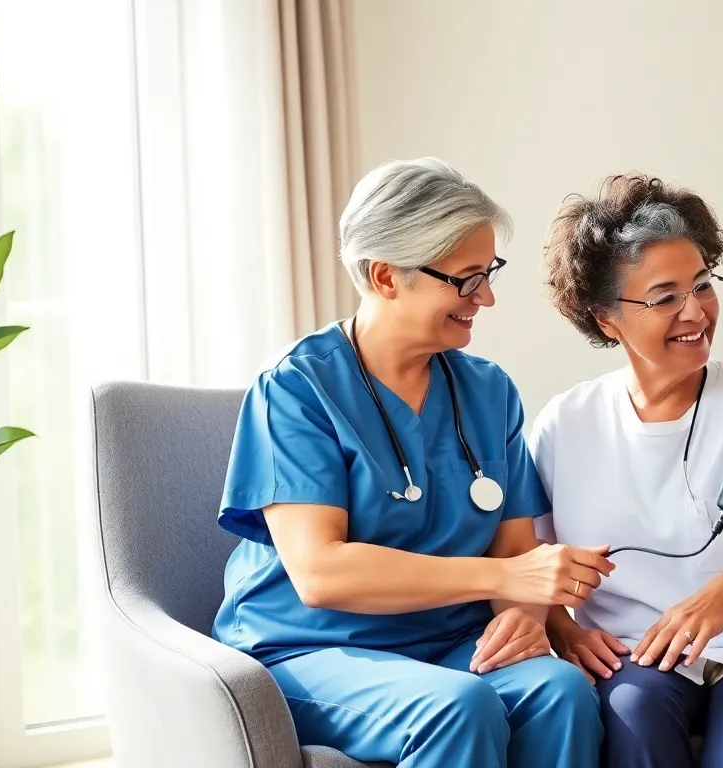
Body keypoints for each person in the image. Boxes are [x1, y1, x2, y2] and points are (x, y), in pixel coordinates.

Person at [209, 158, 611, 768]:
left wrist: (524, 617)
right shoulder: (296, 388)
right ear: (386, 275)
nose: (487, 298)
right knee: (458, 706)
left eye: (488, 273)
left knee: (560, 692)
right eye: (467, 279)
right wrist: (504, 583)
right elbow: (321, 573)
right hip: (310, 649)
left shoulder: (489, 391)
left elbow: (513, 552)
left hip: (448, 643)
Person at [530, 174, 723, 767]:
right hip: (634, 653)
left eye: (702, 285)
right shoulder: (566, 422)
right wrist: (564, 632)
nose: (695, 311)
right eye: (665, 296)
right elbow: (527, 557)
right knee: (635, 721)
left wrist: (717, 600)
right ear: (605, 319)